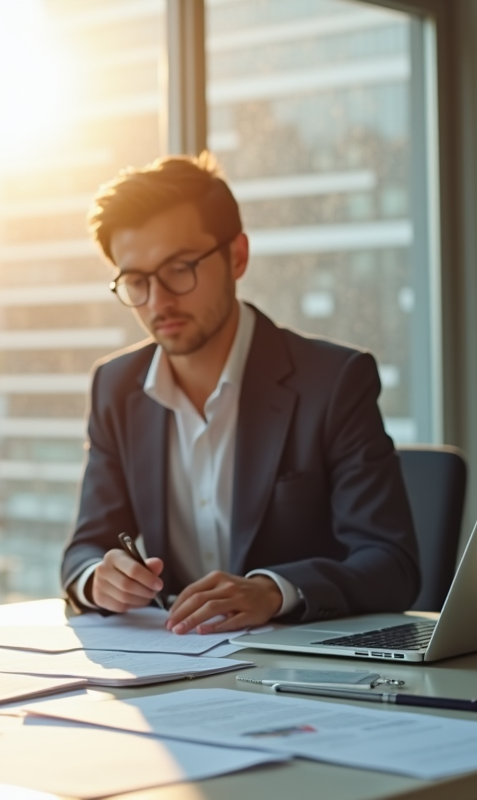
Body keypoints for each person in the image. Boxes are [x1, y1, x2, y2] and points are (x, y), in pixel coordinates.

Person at [60, 153, 420, 635]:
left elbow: (391, 563)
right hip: (176, 665)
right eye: (137, 282)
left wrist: (274, 590)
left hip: (303, 672)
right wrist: (97, 581)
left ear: (237, 256)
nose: (159, 301)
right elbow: (85, 549)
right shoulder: (116, 385)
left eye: (179, 268)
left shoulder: (334, 381)